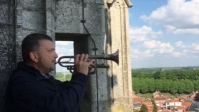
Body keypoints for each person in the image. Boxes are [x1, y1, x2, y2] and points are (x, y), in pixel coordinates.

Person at [5, 33, 94, 112]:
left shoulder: (42, 77)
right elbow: (63, 107)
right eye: (50, 51)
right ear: (34, 56)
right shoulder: (22, 83)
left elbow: (68, 92)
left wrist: (79, 71)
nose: (56, 55)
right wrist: (80, 75)